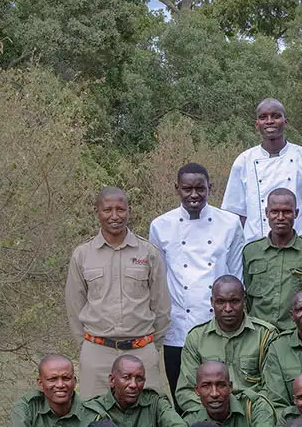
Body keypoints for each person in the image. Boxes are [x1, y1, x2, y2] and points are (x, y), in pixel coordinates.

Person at [66, 186, 171, 401]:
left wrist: (151, 346)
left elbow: (161, 305)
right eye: (107, 210)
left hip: (141, 351)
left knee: (148, 418)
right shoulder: (82, 255)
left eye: (120, 209)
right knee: (92, 420)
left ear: (129, 211)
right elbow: (74, 306)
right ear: (97, 211)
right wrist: (86, 346)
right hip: (97, 351)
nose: (115, 216)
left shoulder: (148, 252)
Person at [149, 162, 245, 391]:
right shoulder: (160, 226)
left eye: (200, 188)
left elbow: (237, 276)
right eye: (187, 189)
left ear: (210, 187)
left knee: (221, 393)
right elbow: (159, 281)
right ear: (177, 189)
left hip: (219, 326)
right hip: (179, 327)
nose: (194, 195)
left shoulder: (230, 223)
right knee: (181, 392)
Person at [222, 98, 302, 240]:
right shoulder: (244, 161)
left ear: (285, 122)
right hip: (257, 245)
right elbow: (235, 213)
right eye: (263, 117)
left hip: (299, 244)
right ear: (257, 124)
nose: (269, 121)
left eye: (276, 116)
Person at [177, 276, 277, 413]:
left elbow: (273, 388)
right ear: (212, 302)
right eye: (221, 302)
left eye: (234, 301)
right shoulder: (196, 338)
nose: (228, 308)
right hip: (209, 415)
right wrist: (214, 412)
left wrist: (245, 412)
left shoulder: (265, 335)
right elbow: (185, 391)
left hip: (254, 414)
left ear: (244, 301)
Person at [241, 188, 302, 329]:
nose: (280, 217)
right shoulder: (251, 252)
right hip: (259, 335)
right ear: (266, 213)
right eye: (275, 211)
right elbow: (249, 297)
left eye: (287, 212)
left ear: (296, 213)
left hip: (297, 335)